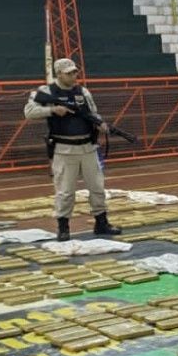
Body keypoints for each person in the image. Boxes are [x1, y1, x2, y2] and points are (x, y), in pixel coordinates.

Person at [23, 58, 122, 241]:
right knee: (65, 191)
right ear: (58, 73)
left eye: (75, 72)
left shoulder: (82, 91)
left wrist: (100, 124)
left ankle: (101, 223)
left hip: (88, 147)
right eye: (69, 73)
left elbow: (92, 112)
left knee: (97, 188)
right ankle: (63, 227)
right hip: (64, 149)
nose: (74, 76)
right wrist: (52, 110)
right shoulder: (46, 92)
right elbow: (29, 112)